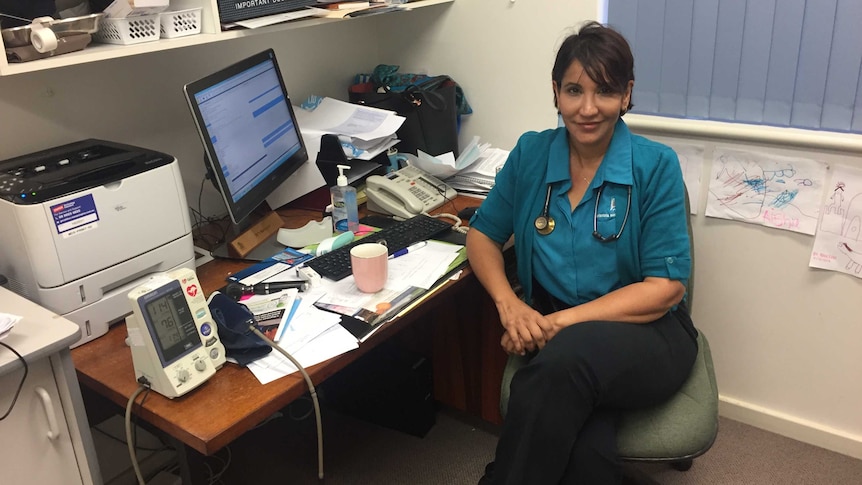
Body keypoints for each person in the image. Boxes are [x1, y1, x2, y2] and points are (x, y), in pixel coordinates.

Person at [467, 21, 699, 484]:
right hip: (554, 337)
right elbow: (481, 235)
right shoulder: (531, 155)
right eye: (574, 90)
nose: (588, 108)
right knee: (581, 459)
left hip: (649, 336)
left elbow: (665, 289)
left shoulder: (655, 166)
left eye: (605, 91)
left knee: (562, 368)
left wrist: (557, 324)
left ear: (627, 94)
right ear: (556, 93)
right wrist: (510, 306)